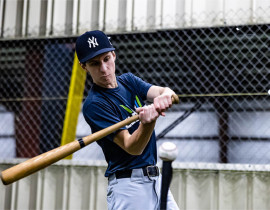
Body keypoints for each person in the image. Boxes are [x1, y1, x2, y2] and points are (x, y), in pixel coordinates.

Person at [76, 30, 179, 210]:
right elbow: (133, 147)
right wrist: (148, 123)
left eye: (106, 59)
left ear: (113, 55)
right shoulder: (95, 104)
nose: (103, 68)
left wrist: (165, 95)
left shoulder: (128, 81)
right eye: (94, 63)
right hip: (129, 187)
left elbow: (167, 93)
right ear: (84, 66)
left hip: (156, 180)